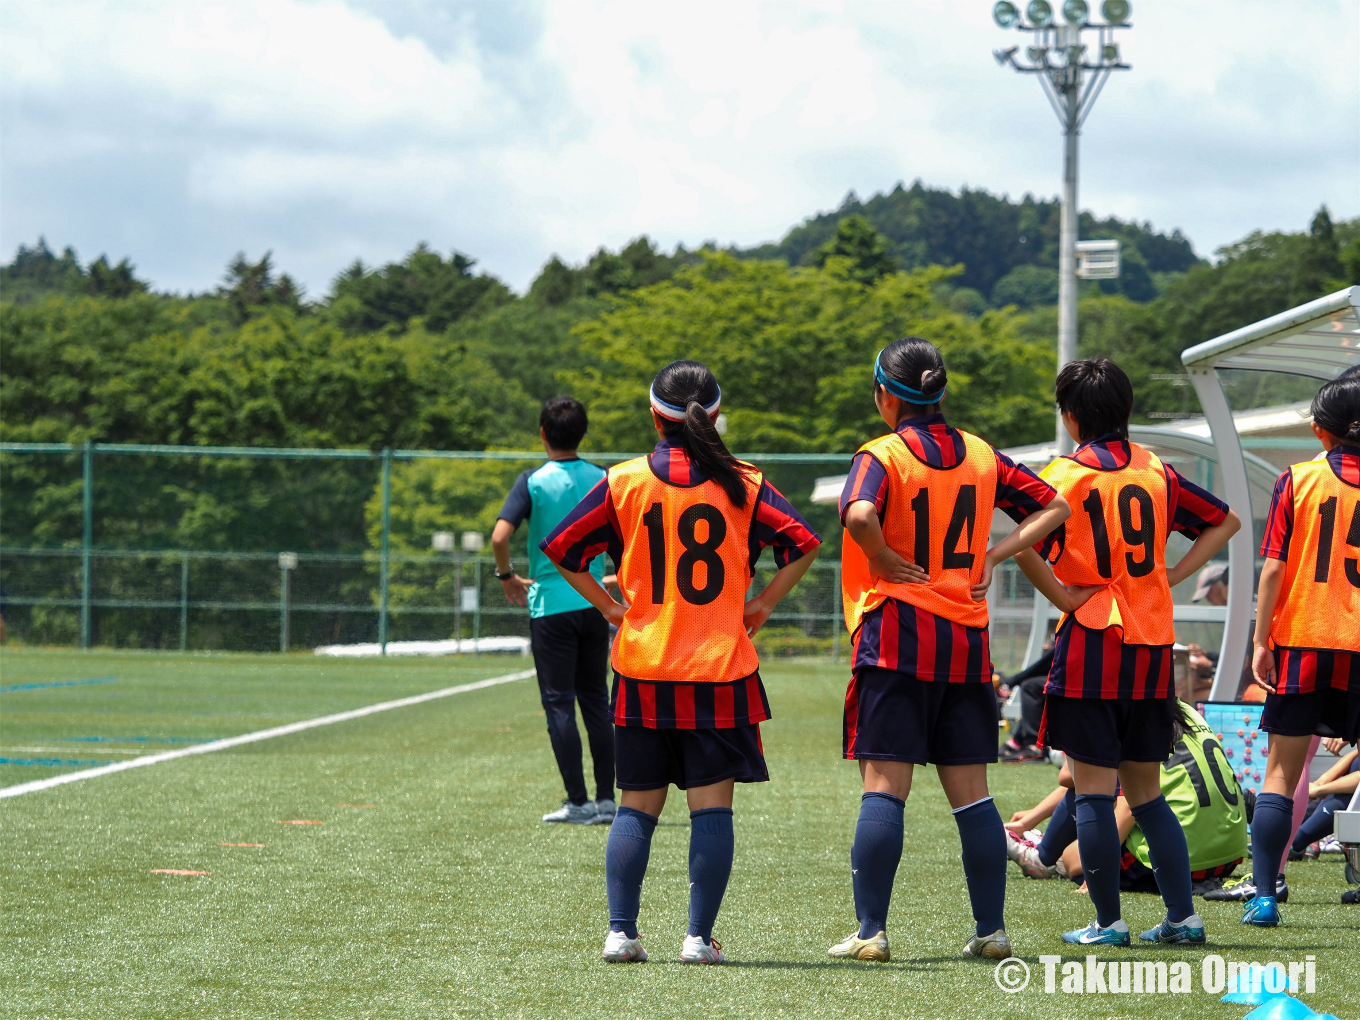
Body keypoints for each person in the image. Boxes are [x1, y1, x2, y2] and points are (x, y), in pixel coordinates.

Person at [540, 360, 821, 965]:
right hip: (720, 670)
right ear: (715, 415)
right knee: (711, 810)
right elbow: (803, 543)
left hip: (644, 667)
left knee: (637, 805)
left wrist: (613, 609)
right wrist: (765, 602)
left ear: (653, 414)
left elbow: (562, 549)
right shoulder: (743, 480)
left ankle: (621, 933)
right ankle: (697, 939)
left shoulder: (624, 480)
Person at [831, 337, 1074, 963]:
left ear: (886, 394)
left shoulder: (880, 454)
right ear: (939, 392)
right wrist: (993, 553)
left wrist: (884, 558)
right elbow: (1054, 504)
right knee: (974, 797)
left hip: (897, 636)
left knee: (885, 788)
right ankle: (991, 930)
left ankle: (871, 933)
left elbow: (860, 516)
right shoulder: (982, 455)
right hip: (966, 639)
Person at [1015, 358, 1241, 947]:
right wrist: (1172, 572)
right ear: (1128, 410)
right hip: (1149, 642)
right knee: (1145, 791)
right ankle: (1184, 919)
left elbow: (1020, 545)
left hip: (1094, 638)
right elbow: (1225, 522)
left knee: (1091, 791)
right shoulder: (1155, 469)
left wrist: (1065, 595)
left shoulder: (1065, 474)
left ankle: (1108, 922)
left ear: (1069, 417)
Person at [1242, 371, 1360, 927]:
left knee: (1281, 775)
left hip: (1306, 640)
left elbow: (1272, 570)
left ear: (1320, 430)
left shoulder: (1298, 479)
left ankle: (1264, 895)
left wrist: (1261, 641)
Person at [493, 396, 615, 826]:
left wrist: (506, 575)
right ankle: (606, 802)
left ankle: (577, 802)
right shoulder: (604, 478)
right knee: (597, 701)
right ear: (582, 433)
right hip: (595, 603)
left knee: (560, 704)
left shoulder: (532, 481)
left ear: (542, 434)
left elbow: (499, 535)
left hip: (550, 606)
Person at [1006, 703, 1248, 896]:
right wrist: (1031, 819)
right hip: (1228, 855)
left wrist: (1098, 873)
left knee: (1073, 859)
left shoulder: (1127, 714)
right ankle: (1044, 845)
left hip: (1181, 860)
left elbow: (1074, 779)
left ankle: (1043, 857)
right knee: (1103, 788)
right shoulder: (1186, 710)